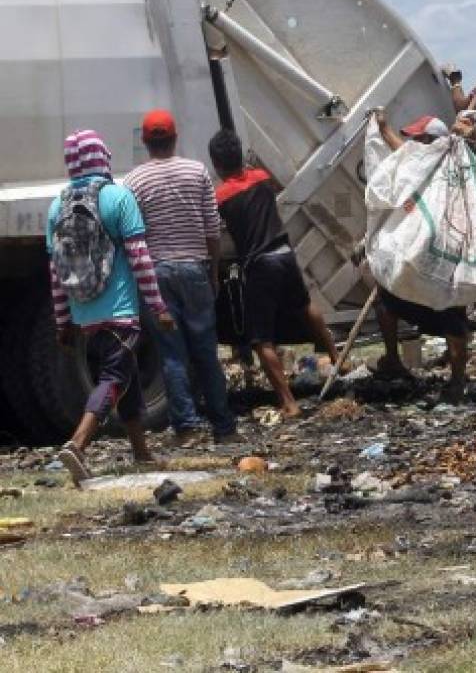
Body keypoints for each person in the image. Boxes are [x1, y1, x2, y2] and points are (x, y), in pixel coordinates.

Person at [49, 130, 174, 485]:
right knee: (115, 378)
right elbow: (139, 256)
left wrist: (63, 321)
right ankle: (78, 443)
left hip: (84, 312)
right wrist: (158, 305)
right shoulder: (118, 197)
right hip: (120, 311)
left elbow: (54, 272)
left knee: (127, 375)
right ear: (102, 157)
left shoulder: (57, 206)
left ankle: (141, 452)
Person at [207, 129, 341, 419]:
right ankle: (337, 359)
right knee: (305, 306)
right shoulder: (262, 178)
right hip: (285, 253)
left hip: (260, 264)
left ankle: (289, 403)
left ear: (216, 164)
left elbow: (216, 230)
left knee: (260, 340)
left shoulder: (221, 197)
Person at [124, 109, 239, 445]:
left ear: (145, 143)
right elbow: (212, 229)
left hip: (158, 274)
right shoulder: (198, 171)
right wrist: (214, 270)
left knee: (172, 354)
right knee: (205, 350)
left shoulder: (135, 182)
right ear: (175, 138)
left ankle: (186, 429)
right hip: (195, 268)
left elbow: (135, 235)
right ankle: (224, 427)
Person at [368, 113, 471, 400]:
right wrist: (385, 129)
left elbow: (404, 151)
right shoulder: (426, 165)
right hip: (424, 254)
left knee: (452, 316)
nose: (413, 144)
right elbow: (403, 150)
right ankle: (395, 361)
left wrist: (386, 128)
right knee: (388, 299)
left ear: (431, 142)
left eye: (418, 139)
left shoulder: (448, 166)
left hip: (443, 254)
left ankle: (458, 380)